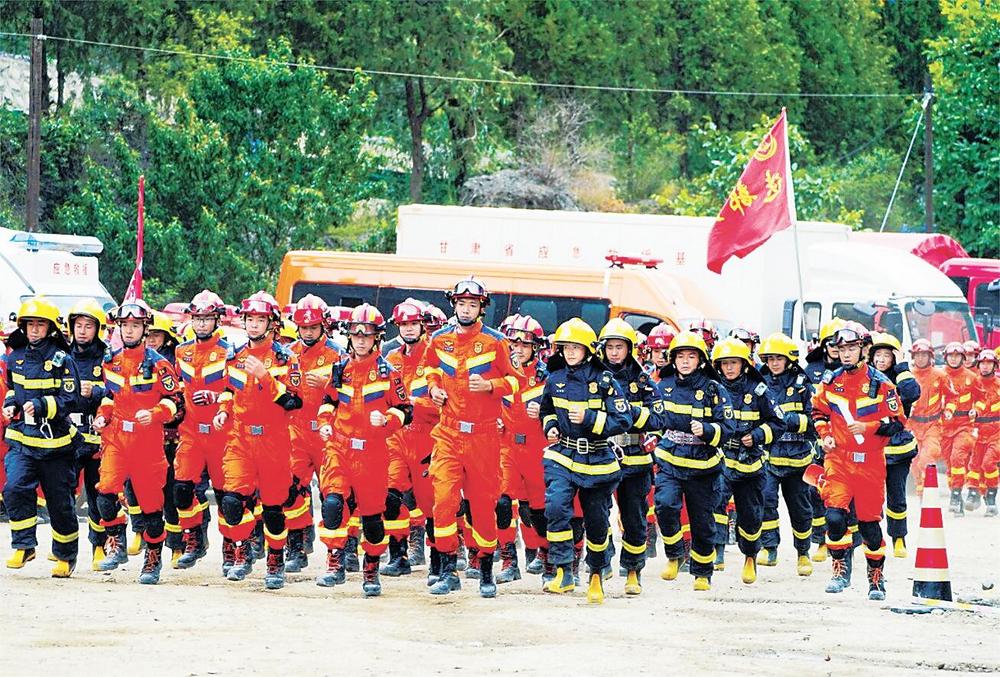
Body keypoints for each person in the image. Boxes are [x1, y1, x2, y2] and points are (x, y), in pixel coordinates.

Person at [421, 278, 521, 599]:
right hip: (448, 433)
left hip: (483, 436)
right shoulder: (439, 338)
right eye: (462, 303)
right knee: (443, 500)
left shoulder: (496, 342)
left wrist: (491, 386)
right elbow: (429, 368)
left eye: (472, 305)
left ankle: (486, 569)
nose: (466, 309)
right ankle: (448, 569)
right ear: (454, 305)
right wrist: (434, 388)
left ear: (481, 308)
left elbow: (516, 381)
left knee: (482, 505)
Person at [315, 303, 412, 597]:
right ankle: (335, 562)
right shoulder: (340, 369)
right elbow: (328, 401)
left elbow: (406, 410)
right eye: (356, 335)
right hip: (340, 448)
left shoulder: (389, 373)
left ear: (377, 338)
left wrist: (387, 420)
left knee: (371, 518)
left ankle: (371, 568)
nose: (360, 340)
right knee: (333, 504)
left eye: (366, 335)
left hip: (373, 453)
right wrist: (324, 423)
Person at [537, 318, 631, 603]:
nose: (570, 352)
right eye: (566, 347)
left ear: (588, 350)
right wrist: (550, 426)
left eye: (576, 347)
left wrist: (590, 418)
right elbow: (547, 410)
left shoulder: (605, 380)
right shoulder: (554, 379)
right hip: (563, 455)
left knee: (597, 520)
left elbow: (623, 420)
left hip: (598, 458)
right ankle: (563, 572)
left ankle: (597, 573)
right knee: (556, 508)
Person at [213, 291, 302, 589]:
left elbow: (294, 402)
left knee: (274, 508)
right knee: (231, 501)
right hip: (240, 438)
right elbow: (229, 389)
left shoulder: (286, 359)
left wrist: (266, 377)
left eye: (260, 320)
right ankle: (244, 550)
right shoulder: (234, 356)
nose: (253, 325)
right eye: (250, 319)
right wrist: (223, 411)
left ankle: (275, 559)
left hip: (274, 441)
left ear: (272, 323)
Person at [812, 322, 906, 600]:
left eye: (852, 348)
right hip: (838, 460)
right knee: (834, 516)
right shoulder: (831, 381)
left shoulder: (882, 384)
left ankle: (876, 577)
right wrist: (825, 436)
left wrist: (870, 427)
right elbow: (818, 412)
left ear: (864, 349)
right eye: (842, 349)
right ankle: (839, 570)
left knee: (869, 526)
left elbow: (898, 423)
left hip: (870, 464)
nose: (846, 354)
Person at [93, 300, 183, 584]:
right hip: (117, 438)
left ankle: (153, 557)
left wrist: (156, 413)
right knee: (105, 492)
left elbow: (176, 402)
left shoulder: (159, 365)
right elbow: (110, 397)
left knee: (151, 507)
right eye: (125, 325)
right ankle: (116, 542)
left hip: (147, 443)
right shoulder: (111, 361)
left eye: (135, 325)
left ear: (145, 329)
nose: (129, 330)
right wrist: (102, 416)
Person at [3, 297, 82, 576]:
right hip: (23, 440)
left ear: (50, 328)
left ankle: (65, 555)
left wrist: (40, 406)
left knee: (59, 503)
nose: (34, 329)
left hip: (56, 443)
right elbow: (13, 388)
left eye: (40, 324)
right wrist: (10, 405)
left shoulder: (63, 360)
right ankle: (24, 545)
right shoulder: (15, 357)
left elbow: (70, 400)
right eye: (30, 324)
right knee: (14, 488)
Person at [653, 330, 735, 591]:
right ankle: (675, 554)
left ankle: (702, 572)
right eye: (680, 356)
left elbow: (728, 426)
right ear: (673, 359)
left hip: (703, 466)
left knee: (702, 521)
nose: (685, 361)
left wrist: (708, 430)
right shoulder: (663, 385)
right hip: (670, 460)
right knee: (665, 505)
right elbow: (655, 419)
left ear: (701, 359)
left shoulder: (714, 388)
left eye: (691, 356)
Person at [597, 318, 663, 595]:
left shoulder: (643, 381)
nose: (614, 353)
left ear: (630, 349)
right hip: (600, 455)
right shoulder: (592, 376)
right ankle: (601, 563)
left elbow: (658, 417)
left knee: (635, 518)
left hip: (636, 459)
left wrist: (629, 414)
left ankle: (633, 570)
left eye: (619, 347)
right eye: (610, 347)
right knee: (597, 514)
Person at [711, 337, 784, 585]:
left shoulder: (759, 390)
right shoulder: (712, 388)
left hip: (750, 464)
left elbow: (778, 423)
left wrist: (757, 435)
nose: (729, 368)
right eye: (724, 363)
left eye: (734, 363)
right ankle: (717, 551)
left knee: (751, 516)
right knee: (716, 505)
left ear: (744, 364)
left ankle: (750, 556)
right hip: (721, 459)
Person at [172, 290, 234, 572]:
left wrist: (215, 397)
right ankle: (194, 538)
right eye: (197, 318)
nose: (201, 324)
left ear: (217, 320)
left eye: (207, 319)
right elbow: (177, 387)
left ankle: (231, 547)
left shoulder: (230, 352)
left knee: (226, 496)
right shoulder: (181, 351)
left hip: (222, 433)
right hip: (191, 432)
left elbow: (237, 391)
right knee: (182, 489)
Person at [285, 294, 343, 572]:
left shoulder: (339, 355)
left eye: (313, 327)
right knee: (291, 490)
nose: (308, 332)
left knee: (335, 495)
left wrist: (328, 384)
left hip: (328, 433)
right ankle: (297, 545)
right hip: (296, 431)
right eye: (303, 327)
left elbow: (352, 394)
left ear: (323, 326)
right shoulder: (288, 353)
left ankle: (341, 550)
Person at [382, 299, 436, 577]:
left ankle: (440, 558)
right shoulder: (391, 359)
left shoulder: (435, 356)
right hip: (396, 438)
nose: (409, 329)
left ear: (422, 325)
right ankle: (398, 555)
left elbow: (448, 403)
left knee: (432, 503)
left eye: (414, 323)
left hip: (427, 438)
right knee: (391, 496)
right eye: (404, 324)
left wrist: (417, 404)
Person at [757, 333, 816, 575]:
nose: (774, 363)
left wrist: (789, 421)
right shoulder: (759, 384)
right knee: (766, 502)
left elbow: (815, 420)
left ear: (789, 359)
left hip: (798, 459)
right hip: (769, 458)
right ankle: (769, 548)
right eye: (770, 359)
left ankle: (803, 553)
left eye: (778, 358)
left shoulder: (803, 384)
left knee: (800, 509)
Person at [499, 314, 549, 583]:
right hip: (507, 447)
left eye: (524, 344)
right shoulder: (500, 373)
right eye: (514, 344)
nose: (518, 349)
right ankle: (509, 560)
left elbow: (562, 413)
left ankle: (545, 554)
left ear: (535, 347)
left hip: (537, 449)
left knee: (537, 510)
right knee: (502, 503)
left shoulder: (546, 378)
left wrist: (544, 413)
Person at [66, 299, 113, 571]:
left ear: (98, 329)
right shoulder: (62, 354)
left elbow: (118, 392)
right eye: (78, 325)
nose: (82, 331)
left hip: (98, 436)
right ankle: (64, 549)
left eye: (88, 326)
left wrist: (95, 391)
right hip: (68, 436)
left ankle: (99, 545)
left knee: (97, 495)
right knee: (63, 494)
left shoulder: (107, 357)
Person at [868, 333, 920, 557]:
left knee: (897, 497)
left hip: (897, 449)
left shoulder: (900, 378)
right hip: (870, 447)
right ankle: (871, 539)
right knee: (870, 497)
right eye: (877, 354)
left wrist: (902, 368)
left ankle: (899, 539)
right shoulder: (866, 377)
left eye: (887, 355)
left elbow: (912, 393)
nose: (881, 359)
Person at [908, 339, 954, 491]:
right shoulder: (908, 376)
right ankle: (921, 491)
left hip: (933, 424)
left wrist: (949, 410)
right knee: (914, 460)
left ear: (930, 356)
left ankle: (928, 489)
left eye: (924, 355)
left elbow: (952, 396)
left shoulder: (940, 375)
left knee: (928, 455)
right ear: (913, 357)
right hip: (912, 424)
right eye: (918, 355)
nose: (921, 358)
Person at [940, 341, 978, 515]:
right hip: (944, 427)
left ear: (963, 358)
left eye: (957, 356)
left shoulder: (971, 377)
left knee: (957, 458)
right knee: (950, 465)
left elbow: (982, 397)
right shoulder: (939, 375)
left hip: (964, 426)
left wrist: (976, 410)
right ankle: (956, 497)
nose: (954, 359)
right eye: (951, 356)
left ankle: (956, 496)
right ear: (946, 357)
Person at [972, 350, 1000, 515]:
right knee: (975, 466)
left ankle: (991, 499)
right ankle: (978, 494)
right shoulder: (973, 383)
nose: (985, 366)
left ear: (995, 366)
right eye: (982, 363)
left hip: (997, 433)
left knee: (989, 463)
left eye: (989, 363)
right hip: (977, 432)